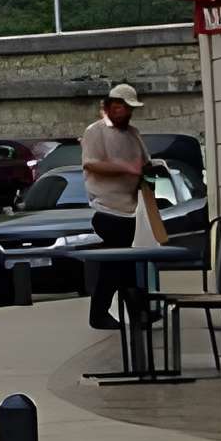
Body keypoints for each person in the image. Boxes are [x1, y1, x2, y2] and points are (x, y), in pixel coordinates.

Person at [81, 82, 148, 330]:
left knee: (122, 263)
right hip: (107, 209)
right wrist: (125, 168)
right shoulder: (96, 131)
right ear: (109, 107)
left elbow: (145, 163)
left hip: (130, 209)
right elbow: (91, 164)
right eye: (120, 108)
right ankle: (108, 313)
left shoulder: (133, 134)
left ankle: (137, 311)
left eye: (128, 109)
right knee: (116, 263)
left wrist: (148, 172)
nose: (124, 113)